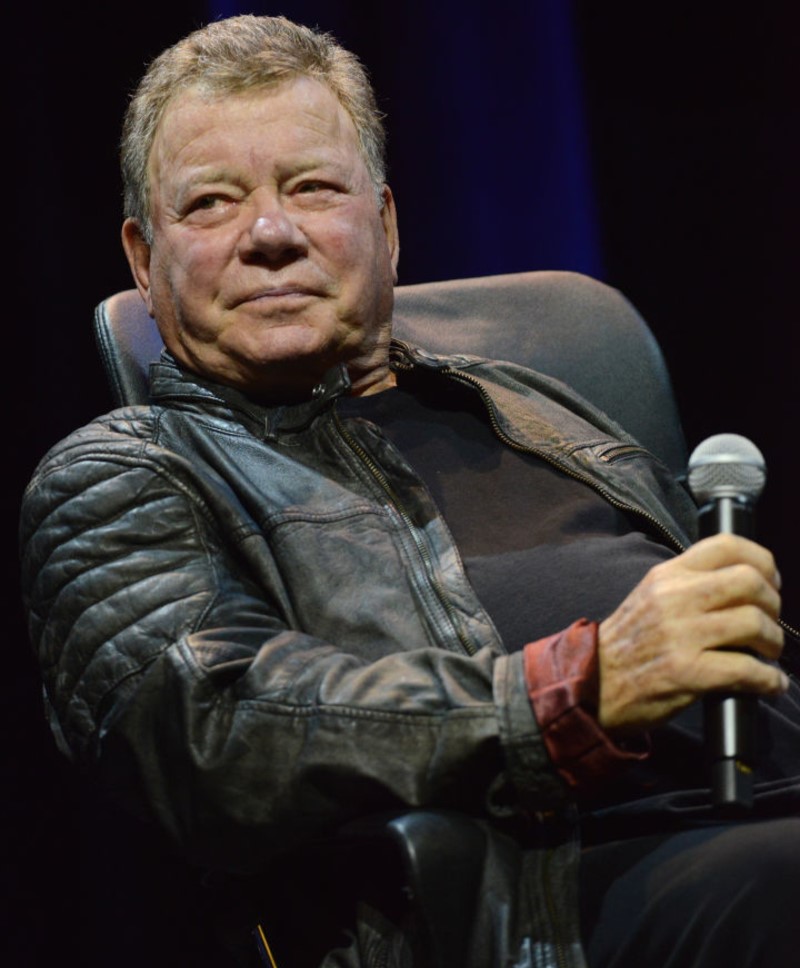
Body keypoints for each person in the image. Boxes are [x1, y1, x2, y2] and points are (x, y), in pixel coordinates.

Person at [18, 13, 800, 968]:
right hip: (549, 896)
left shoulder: (530, 401)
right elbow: (221, 732)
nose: (270, 232)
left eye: (311, 187)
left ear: (384, 227)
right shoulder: (122, 476)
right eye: (213, 204)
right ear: (145, 262)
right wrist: (573, 691)